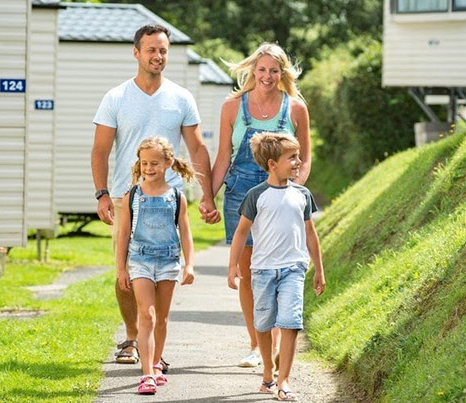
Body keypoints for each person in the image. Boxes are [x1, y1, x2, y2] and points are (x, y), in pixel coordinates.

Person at [91, 24, 220, 367]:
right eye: (151, 50)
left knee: (164, 271)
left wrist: (206, 196)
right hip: (125, 198)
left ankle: (155, 348)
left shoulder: (181, 98)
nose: (157, 56)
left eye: (163, 50)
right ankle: (133, 338)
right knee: (127, 271)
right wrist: (102, 194)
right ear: (136, 53)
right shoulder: (116, 98)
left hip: (169, 200)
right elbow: (100, 150)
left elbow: (197, 148)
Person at [211, 43, 312, 367]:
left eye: (273, 70)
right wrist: (208, 196)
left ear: (282, 73)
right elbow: (224, 156)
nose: (267, 76)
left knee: (278, 266)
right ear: (252, 70)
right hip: (241, 192)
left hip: (281, 196)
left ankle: (277, 342)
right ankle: (257, 345)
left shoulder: (295, 109)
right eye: (262, 69)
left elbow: (305, 158)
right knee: (250, 271)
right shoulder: (232, 106)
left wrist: (294, 190)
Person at [227, 132, 325, 401]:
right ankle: (268, 373)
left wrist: (319, 269)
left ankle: (284, 380)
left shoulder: (302, 195)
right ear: (272, 163)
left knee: (291, 322)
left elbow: (310, 233)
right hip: (262, 270)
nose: (298, 161)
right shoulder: (256, 196)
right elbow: (240, 233)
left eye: (298, 156)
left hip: (294, 268)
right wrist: (233, 265)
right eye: (292, 157)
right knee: (264, 322)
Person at [116, 136, 196, 395]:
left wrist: (189, 265)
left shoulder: (176, 197)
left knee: (161, 318)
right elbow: (123, 234)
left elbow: (185, 233)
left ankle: (157, 363)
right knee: (147, 315)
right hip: (140, 260)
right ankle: (147, 373)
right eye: (144, 163)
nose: (149, 168)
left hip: (168, 261)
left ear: (168, 163)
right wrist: (121, 268)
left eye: (154, 163)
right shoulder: (132, 196)